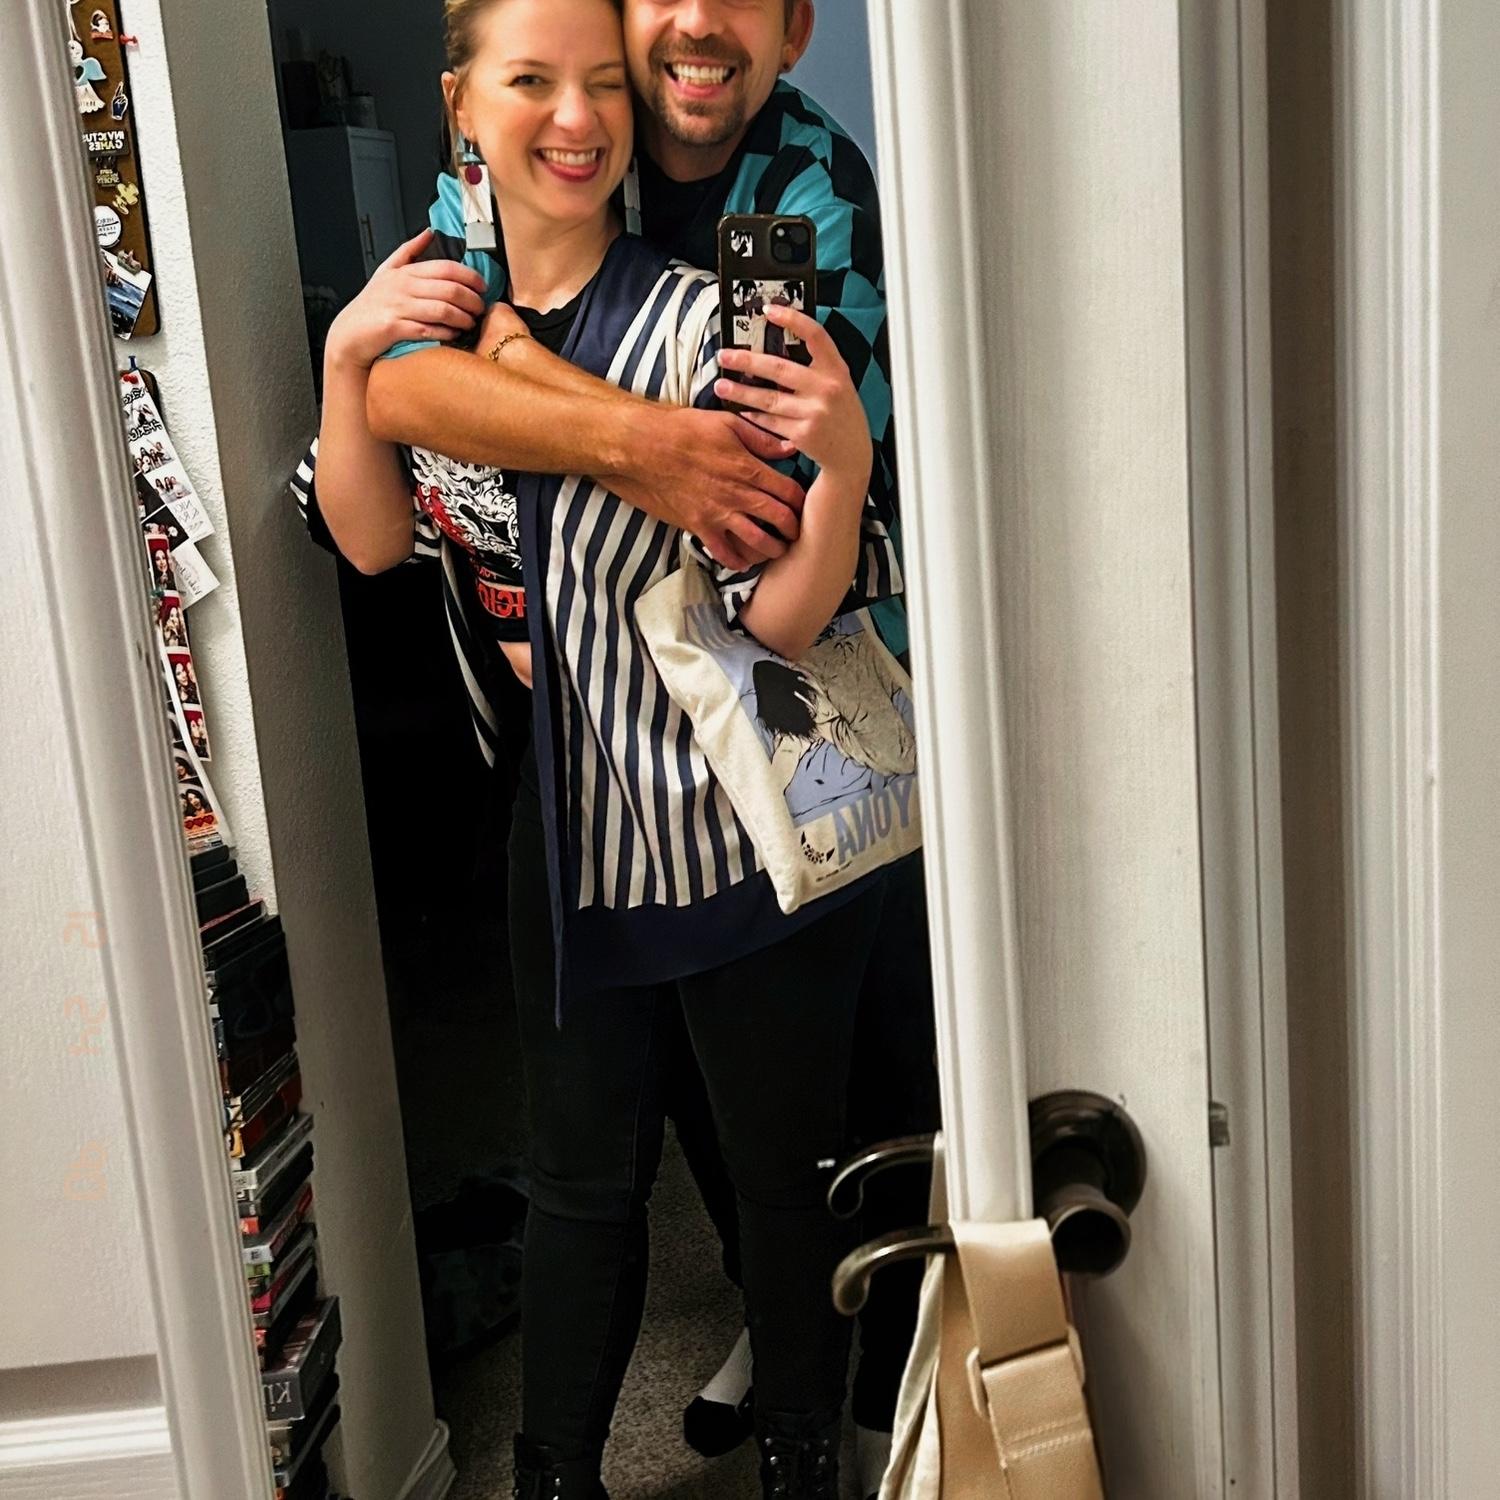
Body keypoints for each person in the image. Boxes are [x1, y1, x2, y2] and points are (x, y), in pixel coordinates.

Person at [293, 2, 936, 1493]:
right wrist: (348, 362)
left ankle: (809, 1455)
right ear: (462, 106)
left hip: (743, 800)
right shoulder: (436, 297)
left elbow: (782, 591)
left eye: (597, 86)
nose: (574, 117)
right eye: (531, 83)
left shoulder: (728, 287)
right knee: (581, 1176)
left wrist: (832, 471)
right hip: (572, 802)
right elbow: (374, 531)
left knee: (789, 1172)